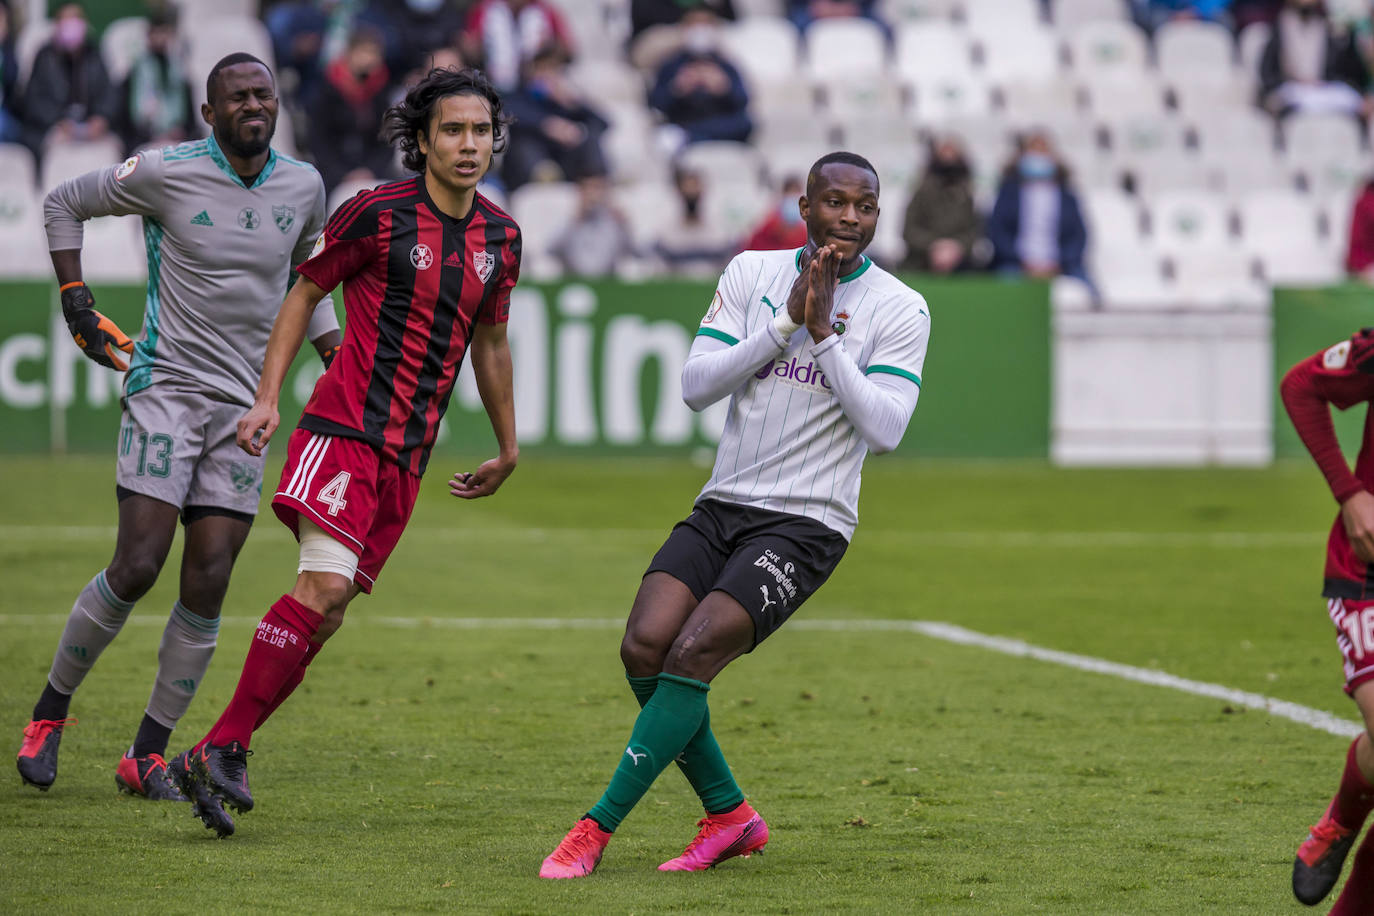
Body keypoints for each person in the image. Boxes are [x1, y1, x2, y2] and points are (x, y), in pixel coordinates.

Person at [539, 151, 930, 878]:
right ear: (804, 208)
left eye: (865, 206)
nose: (850, 218)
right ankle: (731, 816)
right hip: (723, 502)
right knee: (644, 647)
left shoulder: (902, 308)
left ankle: (595, 829)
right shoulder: (751, 274)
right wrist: (785, 325)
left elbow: (886, 430)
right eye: (835, 202)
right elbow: (695, 386)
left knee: (691, 654)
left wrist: (825, 334)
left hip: (809, 521)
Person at [169, 66, 521, 838]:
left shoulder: (501, 237)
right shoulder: (375, 214)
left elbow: (490, 341)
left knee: (324, 619)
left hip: (407, 457)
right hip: (342, 434)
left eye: (481, 131)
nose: (469, 145)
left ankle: (215, 750)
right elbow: (303, 293)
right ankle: (223, 745)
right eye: (453, 131)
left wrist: (508, 444)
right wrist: (269, 398)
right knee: (321, 593)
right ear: (422, 140)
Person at [18, 53, 342, 802]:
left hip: (244, 404)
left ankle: (147, 753)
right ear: (210, 113)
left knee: (211, 577)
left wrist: (334, 358)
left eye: (264, 93)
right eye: (238, 97)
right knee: (138, 562)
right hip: (164, 385)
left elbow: (311, 279)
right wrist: (75, 297)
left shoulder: (304, 185)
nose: (254, 105)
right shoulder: (164, 172)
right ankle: (49, 716)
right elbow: (63, 201)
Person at [1280, 329, 1374, 913]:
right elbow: (1301, 386)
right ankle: (1342, 817)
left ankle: (1345, 813)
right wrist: (1350, 493)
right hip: (1368, 569)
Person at [986, 129, 1092, 288]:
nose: (1038, 157)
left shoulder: (1067, 195)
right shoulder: (1009, 192)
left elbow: (1079, 236)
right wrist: (1024, 262)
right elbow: (997, 231)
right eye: (1033, 151)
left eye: (1042, 151)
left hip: (1062, 266)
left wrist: (1058, 262)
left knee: (1089, 294)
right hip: (1015, 265)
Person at [501, 45, 610, 191]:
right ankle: (544, 176)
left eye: (553, 69)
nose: (548, 75)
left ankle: (596, 186)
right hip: (528, 165)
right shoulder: (517, 96)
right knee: (524, 144)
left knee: (590, 138)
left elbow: (603, 123)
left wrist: (574, 105)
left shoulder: (566, 103)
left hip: (564, 161)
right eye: (543, 68)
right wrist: (546, 125)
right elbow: (509, 114)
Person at [647, 11, 752, 155]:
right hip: (685, 119)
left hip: (719, 120)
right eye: (694, 26)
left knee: (745, 123)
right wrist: (678, 88)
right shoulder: (671, 64)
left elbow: (743, 101)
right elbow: (656, 104)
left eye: (705, 26)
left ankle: (693, 137)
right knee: (667, 133)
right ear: (684, 30)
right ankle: (695, 137)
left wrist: (723, 88)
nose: (700, 32)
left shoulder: (726, 64)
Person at [306, 26, 396, 193]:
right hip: (333, 176)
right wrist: (343, 175)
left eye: (375, 53)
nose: (370, 59)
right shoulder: (327, 90)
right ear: (350, 53)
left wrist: (370, 171)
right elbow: (318, 140)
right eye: (364, 52)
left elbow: (387, 141)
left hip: (372, 175)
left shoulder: (381, 92)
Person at [22, 2, 117, 156]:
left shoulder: (94, 54)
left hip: (90, 127)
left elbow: (108, 93)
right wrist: (58, 121)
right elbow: (33, 100)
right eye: (66, 19)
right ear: (57, 25)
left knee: (111, 148)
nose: (71, 24)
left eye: (75, 18)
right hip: (55, 127)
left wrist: (101, 118)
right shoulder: (45, 56)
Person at [1258, 0, 1371, 118]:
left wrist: (1348, 37)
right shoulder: (1279, 26)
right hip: (1293, 91)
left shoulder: (1329, 26)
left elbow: (1347, 72)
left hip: (1324, 90)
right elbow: (1267, 73)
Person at [114, 7, 198, 155]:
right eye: (156, 33)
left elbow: (190, 116)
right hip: (143, 139)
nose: (160, 37)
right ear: (148, 36)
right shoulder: (134, 73)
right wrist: (150, 135)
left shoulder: (180, 71)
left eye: (164, 32)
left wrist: (181, 131)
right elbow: (124, 119)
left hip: (178, 139)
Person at [901, 134, 980, 274]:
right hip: (921, 263)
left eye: (952, 154)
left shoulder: (967, 194)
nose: (948, 159)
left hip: (961, 265)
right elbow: (909, 230)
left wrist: (956, 247)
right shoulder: (921, 191)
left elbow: (974, 231)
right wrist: (934, 246)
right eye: (944, 153)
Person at [653, 165, 734, 276]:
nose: (691, 193)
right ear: (679, 193)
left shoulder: (719, 233)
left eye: (695, 187)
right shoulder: (667, 234)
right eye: (687, 188)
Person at [550, 175, 634, 277]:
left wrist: (623, 225)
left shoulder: (613, 220)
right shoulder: (570, 218)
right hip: (574, 281)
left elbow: (634, 252)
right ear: (581, 192)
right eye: (590, 188)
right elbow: (551, 249)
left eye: (598, 188)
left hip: (607, 282)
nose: (594, 194)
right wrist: (575, 219)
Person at [738, 175, 808, 253]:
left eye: (796, 196)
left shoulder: (805, 237)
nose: (792, 202)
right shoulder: (765, 231)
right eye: (790, 196)